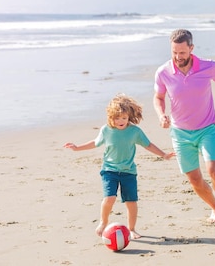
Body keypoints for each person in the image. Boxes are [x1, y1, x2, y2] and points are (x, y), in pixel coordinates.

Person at [153, 29, 215, 223]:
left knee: (214, 171)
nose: (178, 57)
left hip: (207, 128)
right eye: (174, 53)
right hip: (180, 133)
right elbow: (158, 97)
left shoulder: (208, 66)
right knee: (194, 179)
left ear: (191, 49)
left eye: (182, 53)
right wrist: (161, 115)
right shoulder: (163, 72)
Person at [64, 94, 175, 239]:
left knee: (131, 202)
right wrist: (77, 148)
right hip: (109, 171)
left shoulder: (134, 131)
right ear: (111, 117)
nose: (121, 121)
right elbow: (95, 142)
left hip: (128, 172)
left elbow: (148, 145)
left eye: (124, 117)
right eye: (117, 118)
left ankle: (132, 229)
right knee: (109, 198)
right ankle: (103, 222)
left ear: (129, 116)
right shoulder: (106, 130)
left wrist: (163, 155)